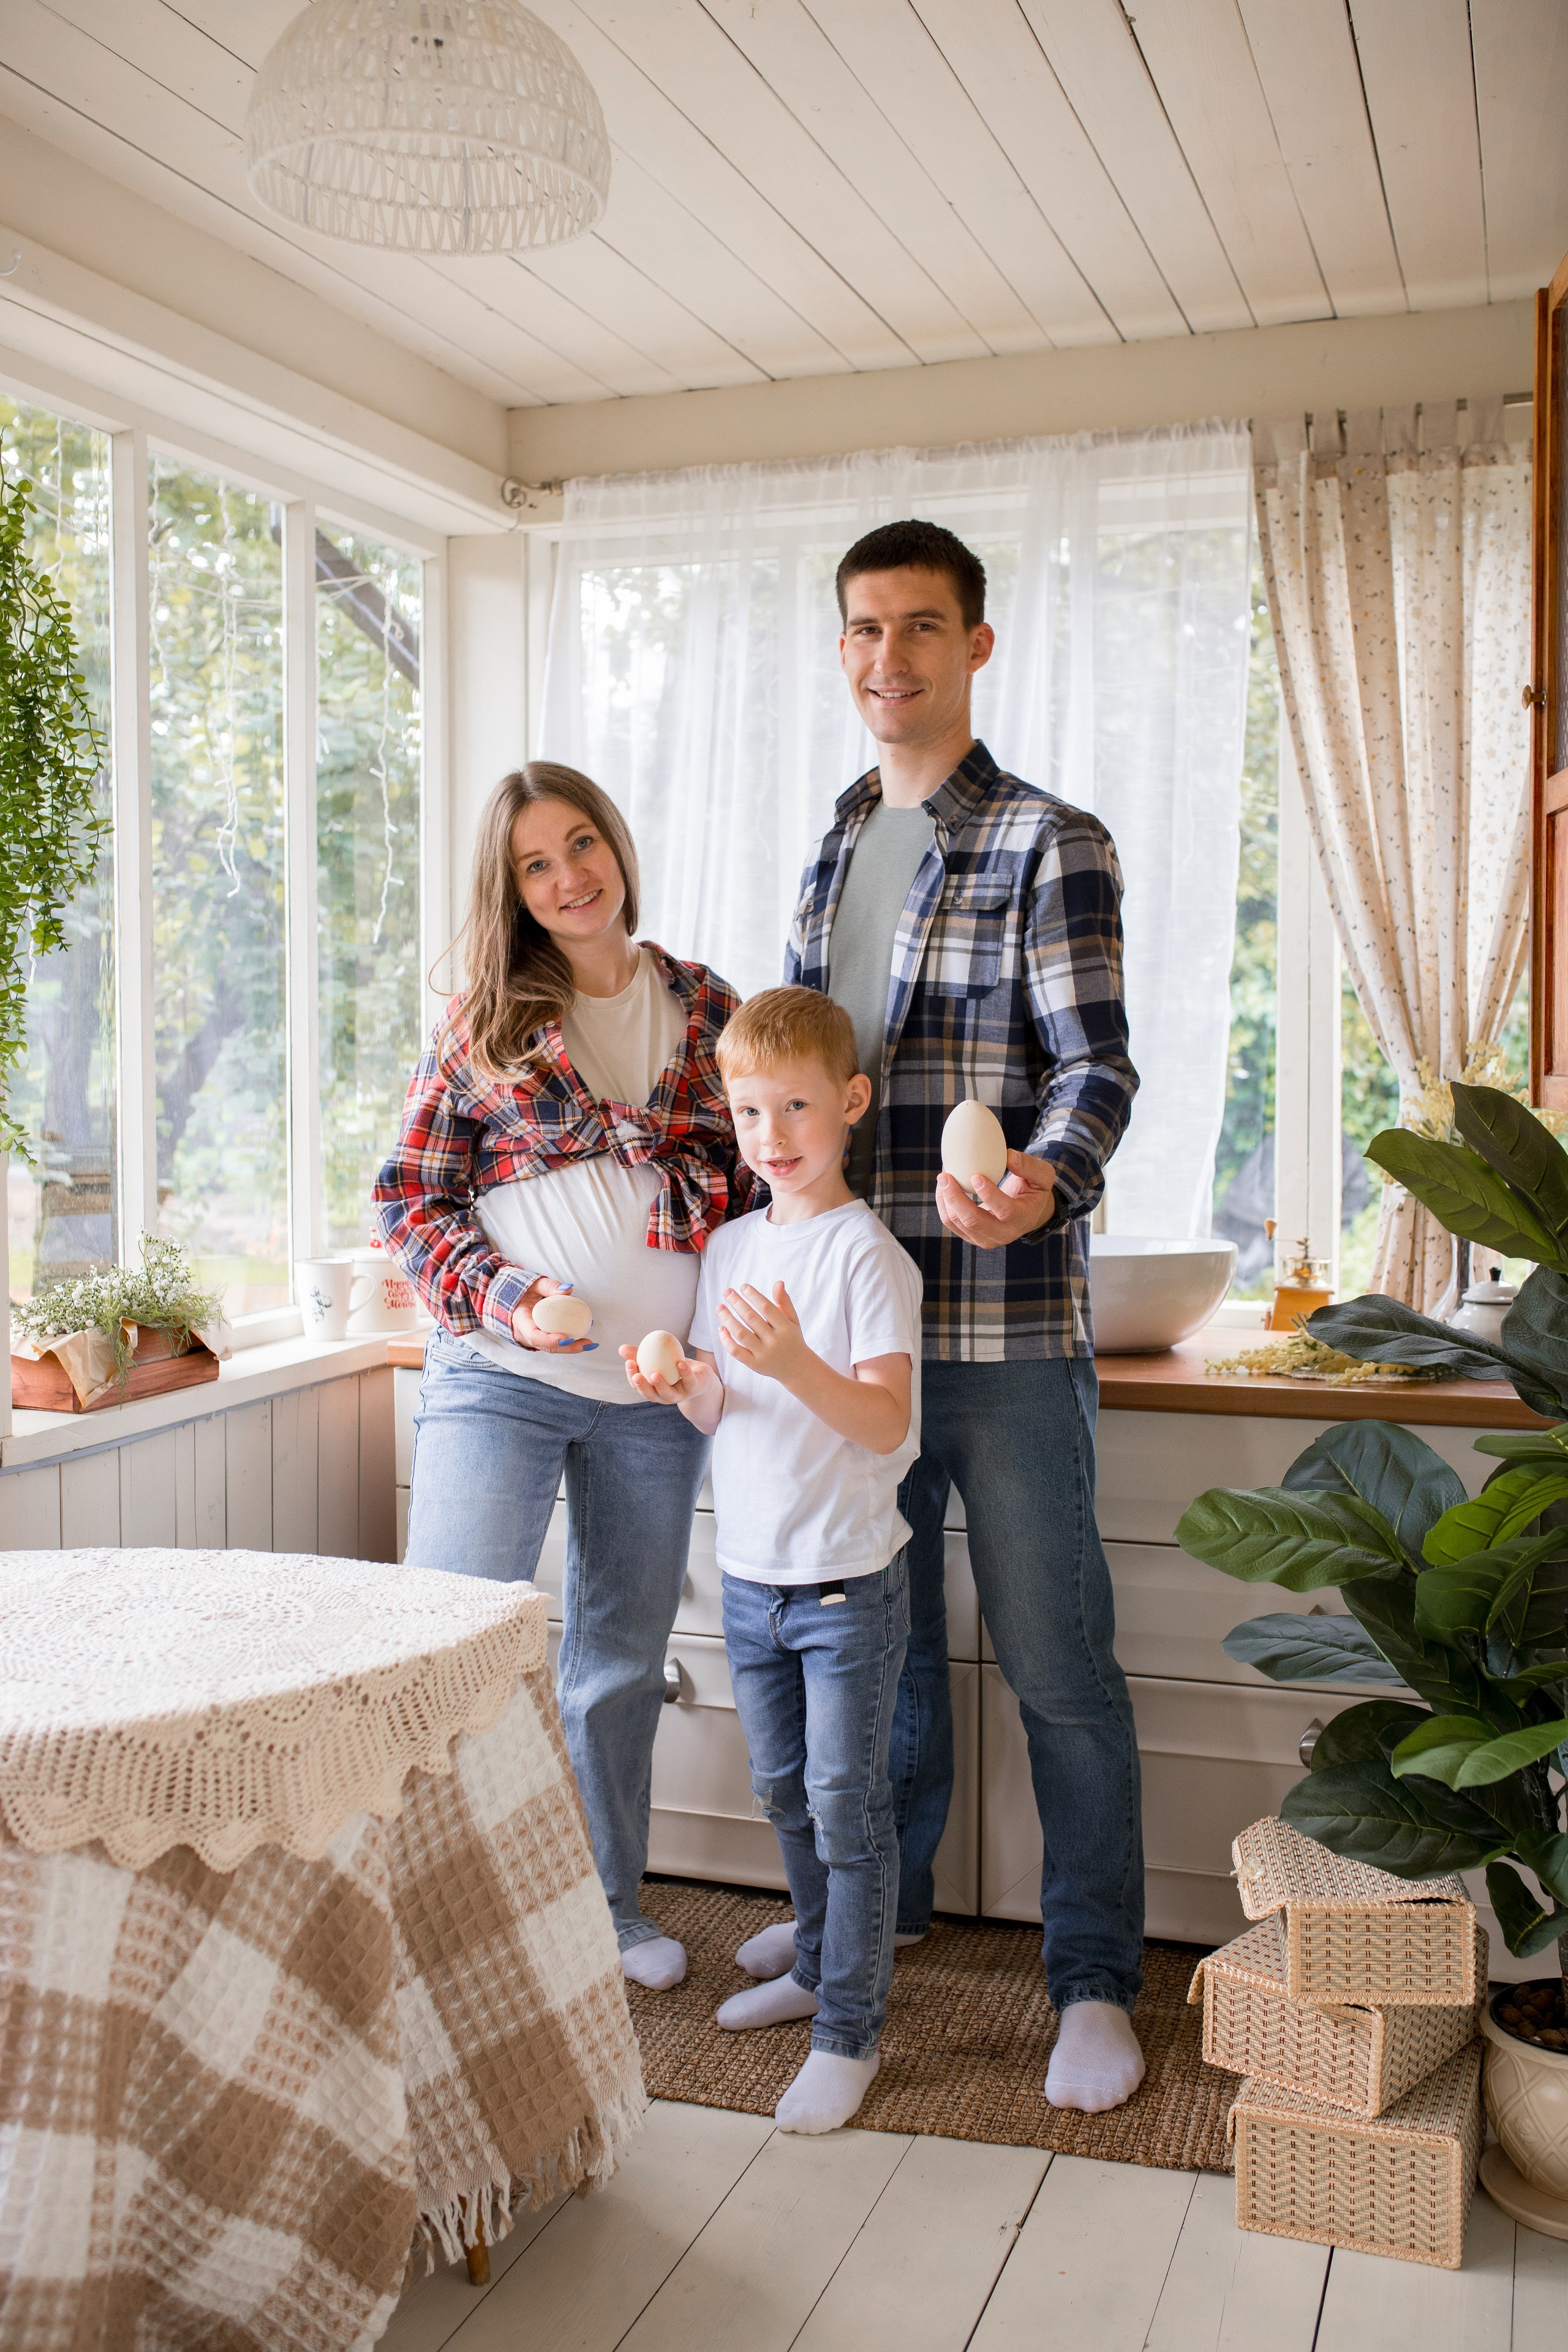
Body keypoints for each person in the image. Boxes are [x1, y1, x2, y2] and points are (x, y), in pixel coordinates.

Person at [783, 519, 1147, 2114]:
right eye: (864, 631)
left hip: (1002, 1334)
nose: (889, 659)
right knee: (887, 1656)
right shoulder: (836, 848)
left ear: (975, 647)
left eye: (920, 628)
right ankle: (880, 1922)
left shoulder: (1049, 840)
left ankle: (1092, 1981)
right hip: (860, 1336)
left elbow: (1096, 1070)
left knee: (1060, 1661)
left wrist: (1044, 1181)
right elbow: (807, 1088)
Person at [374, 763, 749, 1993]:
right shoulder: (489, 1018)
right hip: (500, 1377)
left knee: (619, 1663)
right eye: (536, 864)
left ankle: (607, 1911)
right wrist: (512, 1296)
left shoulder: (701, 1005)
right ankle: (413, 1919)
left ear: (615, 845)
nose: (568, 876)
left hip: (651, 1397)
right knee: (446, 1642)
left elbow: (757, 1186)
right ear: (515, 890)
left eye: (581, 844)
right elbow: (410, 1201)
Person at [622, 987, 923, 2135]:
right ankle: (814, 1962)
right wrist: (680, 1378)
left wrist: (795, 1359)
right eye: (752, 1113)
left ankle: (851, 2025)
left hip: (846, 1584)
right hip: (752, 1579)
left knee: (849, 1807)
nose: (774, 1136)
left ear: (847, 1104)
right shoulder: (735, 1245)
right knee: (788, 1793)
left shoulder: (865, 1257)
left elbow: (886, 1424)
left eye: (797, 1107)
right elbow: (719, 1409)